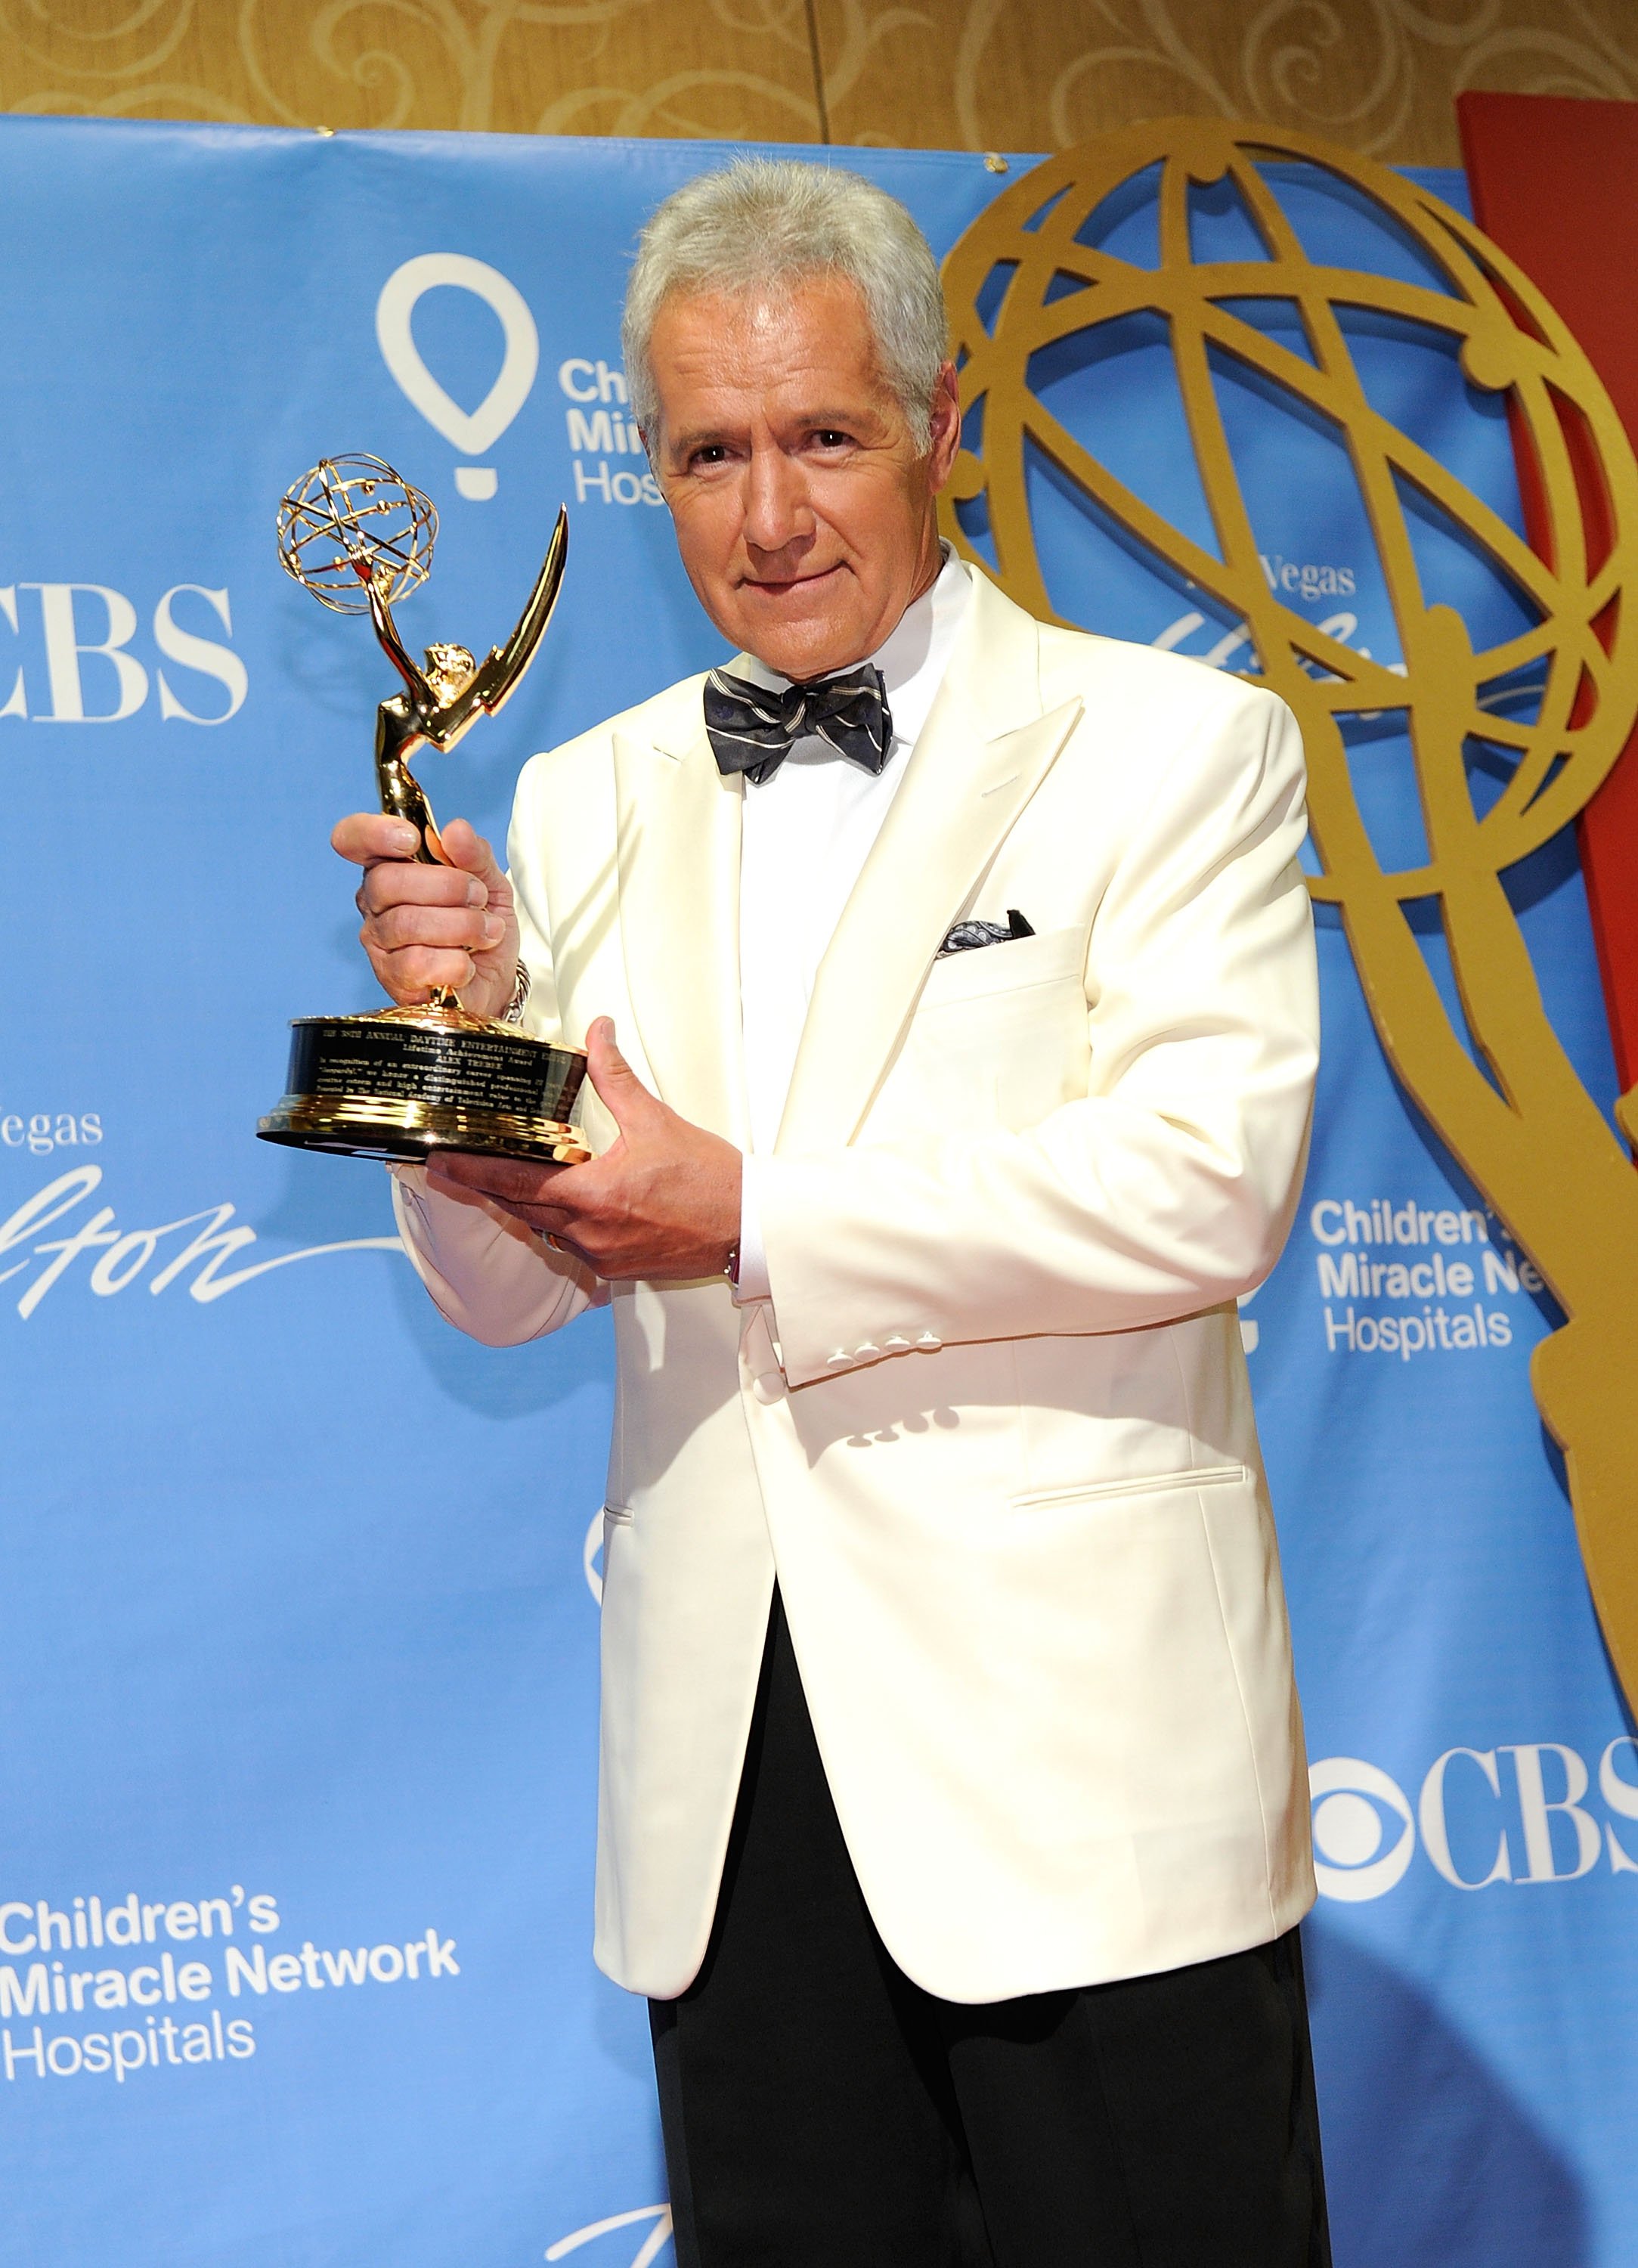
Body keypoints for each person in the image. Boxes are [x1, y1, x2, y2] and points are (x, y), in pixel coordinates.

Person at [334, 157, 1328, 2267]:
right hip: (732, 1775)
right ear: (653, 465)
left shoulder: (1176, 747)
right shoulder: (586, 788)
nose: (771, 516)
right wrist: (463, 1054)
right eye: (712, 454)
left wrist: (754, 1209)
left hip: (1075, 1767)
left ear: (942, 423)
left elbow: (1204, 1181)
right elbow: (517, 1298)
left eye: (824, 439)